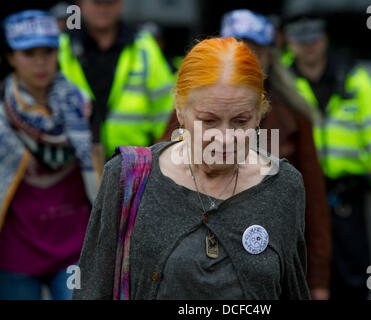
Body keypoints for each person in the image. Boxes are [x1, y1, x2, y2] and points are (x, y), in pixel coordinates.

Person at [73, 37, 311, 300]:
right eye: (208, 121)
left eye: (240, 121)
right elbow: (93, 291)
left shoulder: (284, 186)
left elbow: (294, 290)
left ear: (259, 114)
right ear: (180, 109)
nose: (224, 138)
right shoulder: (127, 177)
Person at [160, 9, 332, 300]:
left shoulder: (294, 116)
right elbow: (160, 186)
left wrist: (317, 280)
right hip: (192, 266)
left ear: (268, 58)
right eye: (237, 48)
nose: (245, 60)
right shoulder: (192, 109)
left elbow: (313, 204)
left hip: (261, 266)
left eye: (256, 51)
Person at [284, 16, 371, 299]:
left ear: (325, 39)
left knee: (353, 273)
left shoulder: (355, 80)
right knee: (304, 269)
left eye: (313, 39)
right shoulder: (283, 82)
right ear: (289, 43)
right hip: (298, 192)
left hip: (346, 193)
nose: (308, 47)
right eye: (301, 41)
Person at [0, 10, 98, 300]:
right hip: (15, 252)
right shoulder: (3, 112)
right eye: (29, 52)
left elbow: (98, 169)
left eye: (48, 51)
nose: (41, 61)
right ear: (10, 57)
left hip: (75, 247)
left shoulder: (84, 105)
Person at [58, 0, 174, 172]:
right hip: (72, 168)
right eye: (97, 2)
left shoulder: (143, 45)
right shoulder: (62, 45)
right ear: (80, 4)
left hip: (134, 166)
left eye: (110, 2)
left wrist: (157, 164)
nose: (103, 8)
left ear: (121, 3)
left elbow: (166, 110)